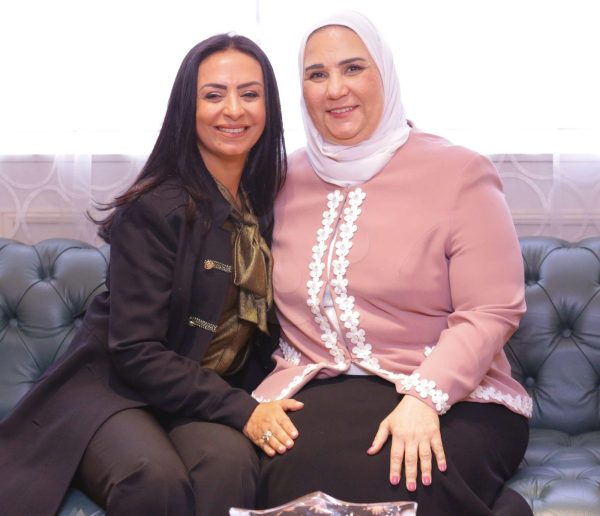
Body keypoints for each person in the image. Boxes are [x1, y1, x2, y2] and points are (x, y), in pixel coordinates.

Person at [0, 34, 303, 516]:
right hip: (113, 391)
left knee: (229, 465)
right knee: (152, 478)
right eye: (213, 95)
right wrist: (242, 410)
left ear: (270, 107)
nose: (233, 110)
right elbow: (134, 351)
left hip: (195, 396)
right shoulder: (155, 208)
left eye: (250, 94)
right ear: (187, 107)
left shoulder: (266, 204)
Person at [252, 12, 534, 516]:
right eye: (317, 74)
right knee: (279, 479)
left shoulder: (459, 172)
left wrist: (425, 398)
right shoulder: (281, 178)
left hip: (455, 397)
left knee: (398, 478)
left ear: (384, 73)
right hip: (316, 393)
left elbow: (492, 310)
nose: (335, 89)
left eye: (353, 68)